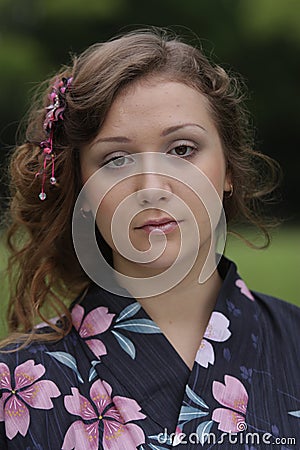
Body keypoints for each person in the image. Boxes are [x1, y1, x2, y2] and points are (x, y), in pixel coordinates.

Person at [0, 28, 299, 450]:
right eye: (116, 159)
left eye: (181, 149)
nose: (152, 186)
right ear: (82, 190)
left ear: (228, 169)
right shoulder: (16, 385)